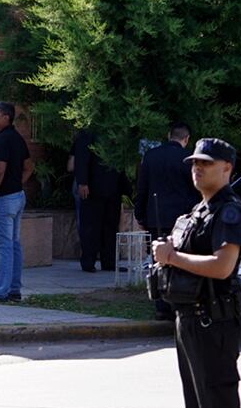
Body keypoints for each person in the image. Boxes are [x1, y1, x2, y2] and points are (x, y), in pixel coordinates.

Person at [151, 137, 241, 408]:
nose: (197, 168)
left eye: (206, 163)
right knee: (197, 402)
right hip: (189, 315)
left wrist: (174, 256)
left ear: (227, 168)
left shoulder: (230, 212)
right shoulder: (198, 211)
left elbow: (222, 266)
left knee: (219, 400)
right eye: (194, 162)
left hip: (215, 317)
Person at [135, 123, 201, 320]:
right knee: (180, 260)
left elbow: (142, 188)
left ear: (168, 135)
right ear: (186, 139)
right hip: (182, 219)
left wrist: (140, 215)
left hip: (155, 216)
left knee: (158, 260)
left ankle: (161, 305)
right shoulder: (188, 159)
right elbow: (194, 190)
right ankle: (178, 303)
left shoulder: (151, 156)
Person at [0, 101, 32, 303]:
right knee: (14, 245)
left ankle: (1, 292)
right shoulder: (18, 139)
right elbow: (29, 167)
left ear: (6, 117)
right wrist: (16, 184)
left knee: (4, 246)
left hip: (4, 198)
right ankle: (14, 289)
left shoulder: (3, 140)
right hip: (17, 196)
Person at [72, 128, 130, 273]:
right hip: (92, 187)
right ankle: (88, 261)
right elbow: (81, 158)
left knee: (110, 226)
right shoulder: (88, 133)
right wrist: (82, 182)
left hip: (113, 187)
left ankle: (109, 261)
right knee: (90, 226)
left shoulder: (117, 130)